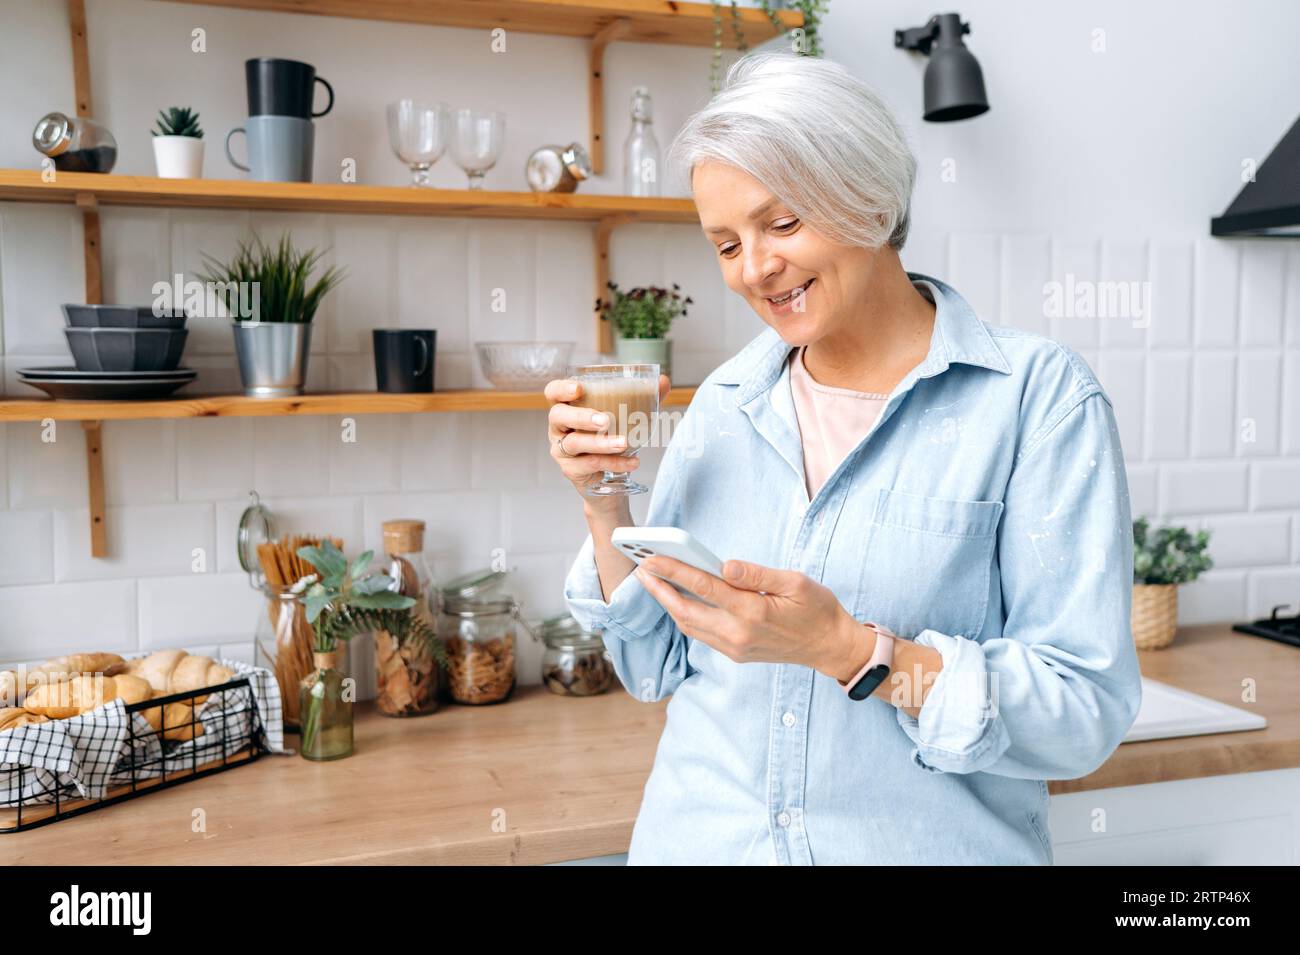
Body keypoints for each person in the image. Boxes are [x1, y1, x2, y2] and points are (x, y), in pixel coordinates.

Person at [545, 52, 1141, 865]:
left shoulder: (1036, 400)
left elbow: (1082, 715)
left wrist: (855, 653)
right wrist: (603, 501)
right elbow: (653, 663)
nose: (755, 269)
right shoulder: (724, 402)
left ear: (869, 197)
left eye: (781, 224)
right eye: (725, 244)